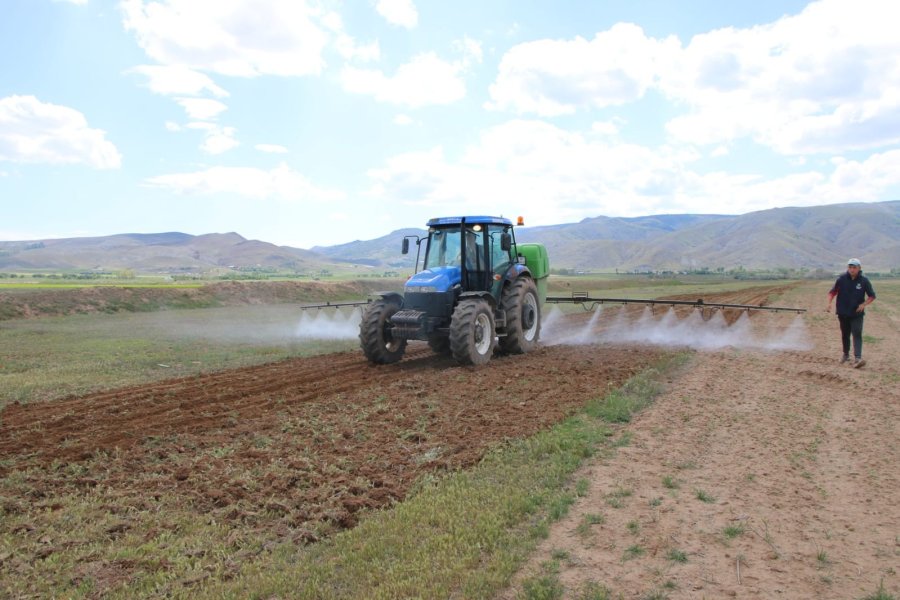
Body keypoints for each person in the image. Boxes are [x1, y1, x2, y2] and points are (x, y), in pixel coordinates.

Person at [826, 258, 876, 368]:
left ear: (859, 268)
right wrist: (829, 303)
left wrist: (863, 304)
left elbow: (872, 296)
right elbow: (832, 292)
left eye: (854, 267)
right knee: (845, 334)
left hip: (857, 313)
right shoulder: (841, 279)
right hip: (843, 312)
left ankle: (858, 358)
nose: (852, 269)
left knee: (857, 333)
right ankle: (845, 355)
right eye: (850, 267)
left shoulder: (864, 281)